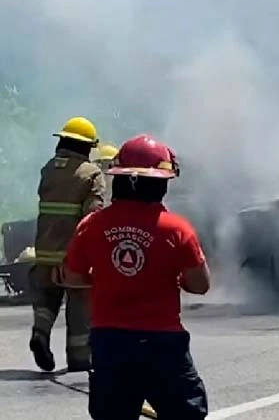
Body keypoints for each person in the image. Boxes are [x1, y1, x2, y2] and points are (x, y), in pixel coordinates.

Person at [62, 134, 211, 419]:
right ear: (161, 182)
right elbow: (200, 285)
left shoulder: (92, 225)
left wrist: (107, 278)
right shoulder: (177, 229)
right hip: (163, 344)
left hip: (111, 342)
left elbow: (72, 276)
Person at [30, 116, 106, 373]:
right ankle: (79, 357)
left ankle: (40, 333)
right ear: (86, 147)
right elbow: (92, 218)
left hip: (43, 253)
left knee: (46, 302)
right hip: (73, 257)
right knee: (79, 306)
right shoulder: (91, 174)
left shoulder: (48, 169)